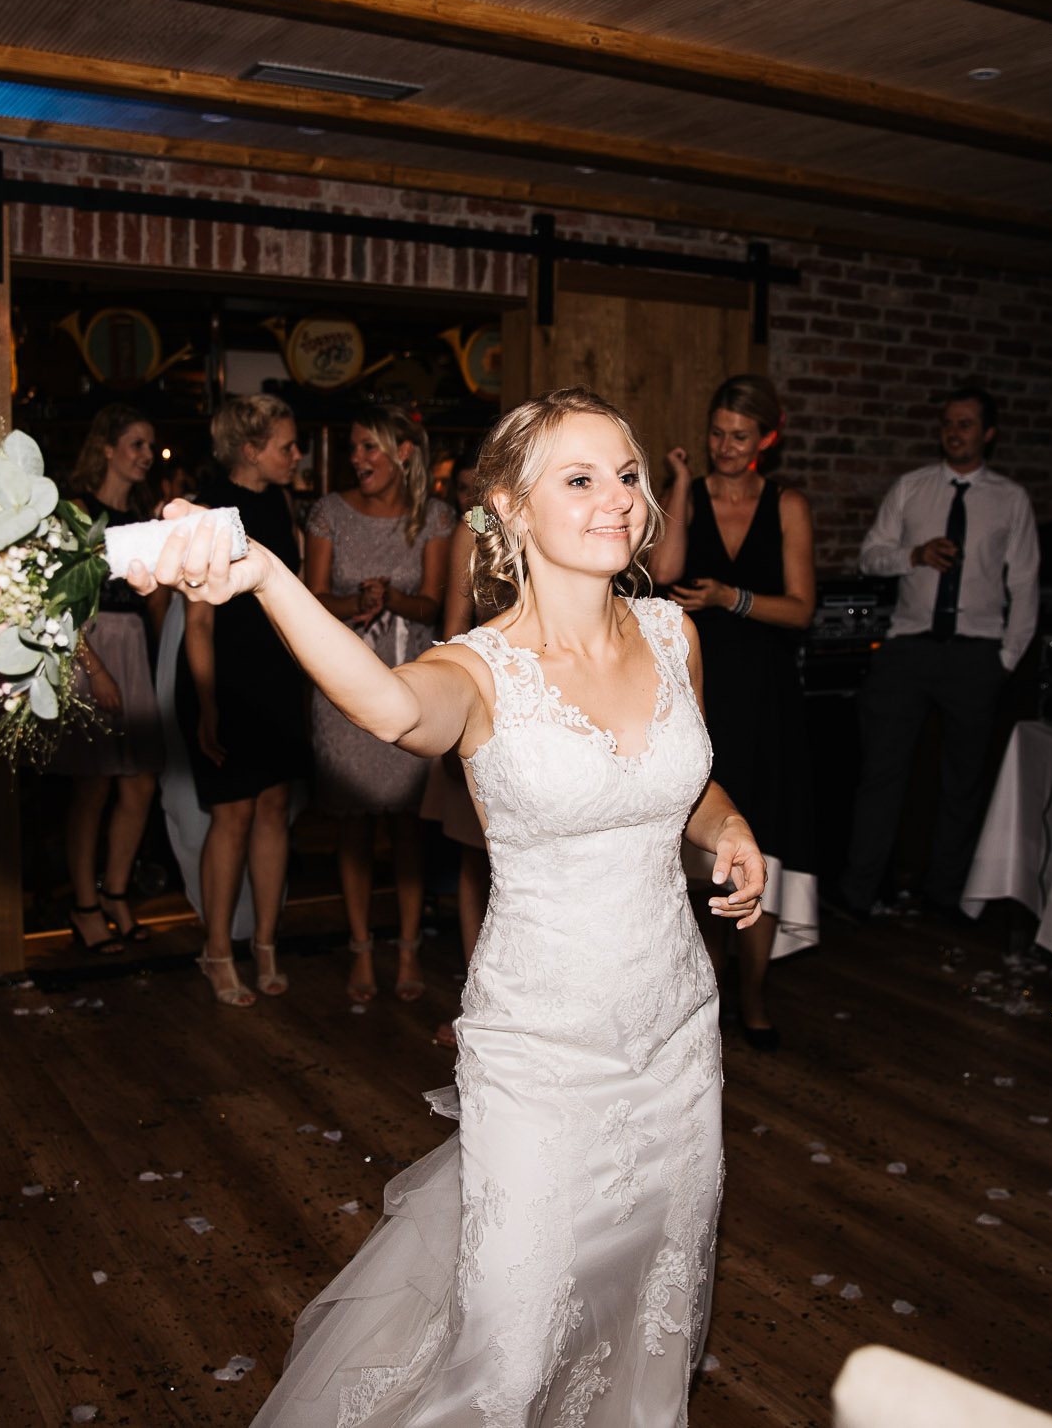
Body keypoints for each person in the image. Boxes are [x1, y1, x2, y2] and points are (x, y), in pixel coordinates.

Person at [125, 386, 765, 1426]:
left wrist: (725, 827)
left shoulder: (672, 635)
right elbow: (385, 707)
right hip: (541, 1049)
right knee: (507, 1354)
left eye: (630, 476)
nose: (618, 500)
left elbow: (684, 783)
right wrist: (269, 576)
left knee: (647, 1305)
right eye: (581, 479)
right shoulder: (480, 671)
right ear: (509, 510)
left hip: (678, 1038)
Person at [652, 373, 817, 1051]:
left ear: (767, 439)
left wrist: (731, 599)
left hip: (768, 694)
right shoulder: (689, 493)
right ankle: (702, 995)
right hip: (699, 691)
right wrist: (682, 485)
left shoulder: (787, 504)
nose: (725, 444)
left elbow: (802, 609)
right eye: (717, 431)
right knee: (697, 849)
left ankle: (753, 999)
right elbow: (662, 572)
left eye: (740, 435)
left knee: (764, 840)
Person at [839, 385, 1039, 919]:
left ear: (988, 433)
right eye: (949, 423)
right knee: (880, 774)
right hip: (909, 648)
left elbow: (1025, 584)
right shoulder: (912, 488)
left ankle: (947, 895)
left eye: (967, 424)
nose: (955, 432)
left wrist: (1007, 660)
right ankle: (860, 894)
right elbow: (870, 557)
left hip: (976, 654)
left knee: (964, 783)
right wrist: (915, 554)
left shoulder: (1010, 499)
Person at [303, 406, 454, 1002]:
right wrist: (353, 601)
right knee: (353, 827)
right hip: (341, 687)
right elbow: (310, 600)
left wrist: (394, 596)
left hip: (412, 682)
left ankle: (410, 950)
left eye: (369, 447)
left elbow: (436, 607)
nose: (358, 459)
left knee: (408, 827)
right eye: (354, 448)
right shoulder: (328, 513)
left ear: (403, 454)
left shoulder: (436, 517)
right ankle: (362, 950)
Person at [177, 394, 308, 1006]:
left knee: (274, 807)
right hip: (224, 679)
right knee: (230, 814)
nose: (296, 455)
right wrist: (207, 706)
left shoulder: (281, 502)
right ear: (250, 449)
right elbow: (197, 625)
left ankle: (266, 945)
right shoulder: (204, 512)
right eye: (286, 445)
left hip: (277, 676)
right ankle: (217, 950)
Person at [48, 404, 169, 956]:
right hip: (88, 644)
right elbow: (55, 601)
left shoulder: (147, 516)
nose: (146, 455)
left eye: (149, 446)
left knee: (140, 782)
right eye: (136, 445)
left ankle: (117, 892)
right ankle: (84, 904)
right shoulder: (75, 510)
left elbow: (160, 602)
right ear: (106, 447)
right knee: (91, 787)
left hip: (135, 645)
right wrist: (93, 670)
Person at [418, 445, 489, 1046]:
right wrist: (452, 723)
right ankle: (478, 1001)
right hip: (486, 702)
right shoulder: (474, 529)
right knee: (475, 856)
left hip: (560, 705)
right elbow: (454, 627)